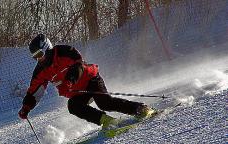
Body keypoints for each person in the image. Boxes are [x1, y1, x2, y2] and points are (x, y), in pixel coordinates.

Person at [18, 33, 154, 128]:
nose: (38, 59)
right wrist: (26, 107)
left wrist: (69, 81)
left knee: (105, 103)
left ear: (47, 49)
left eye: (40, 55)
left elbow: (79, 65)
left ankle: (140, 109)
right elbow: (35, 90)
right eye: (35, 57)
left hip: (91, 80)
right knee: (73, 106)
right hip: (77, 92)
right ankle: (107, 121)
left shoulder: (65, 51)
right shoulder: (40, 71)